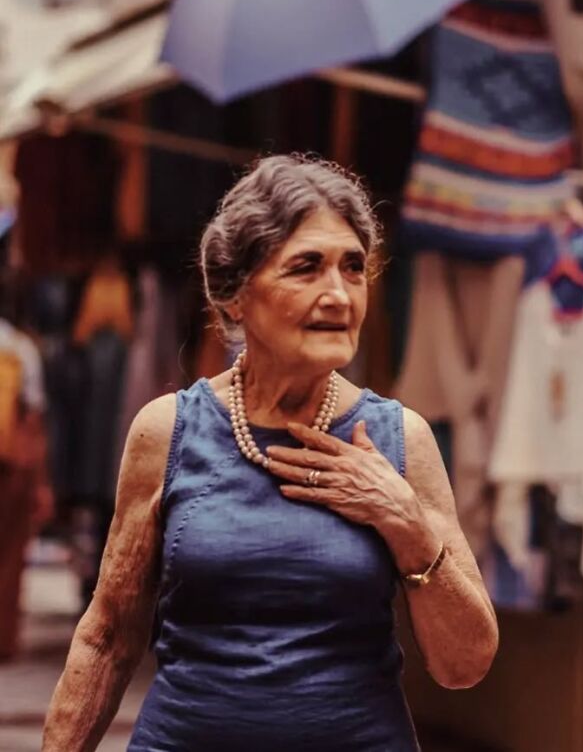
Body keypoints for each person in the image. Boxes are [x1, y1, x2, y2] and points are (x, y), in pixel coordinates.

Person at [42, 155, 498, 752]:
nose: (338, 295)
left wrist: (405, 522)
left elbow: (465, 664)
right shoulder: (168, 431)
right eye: (306, 267)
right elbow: (107, 638)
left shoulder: (398, 439)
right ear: (234, 296)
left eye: (352, 268)